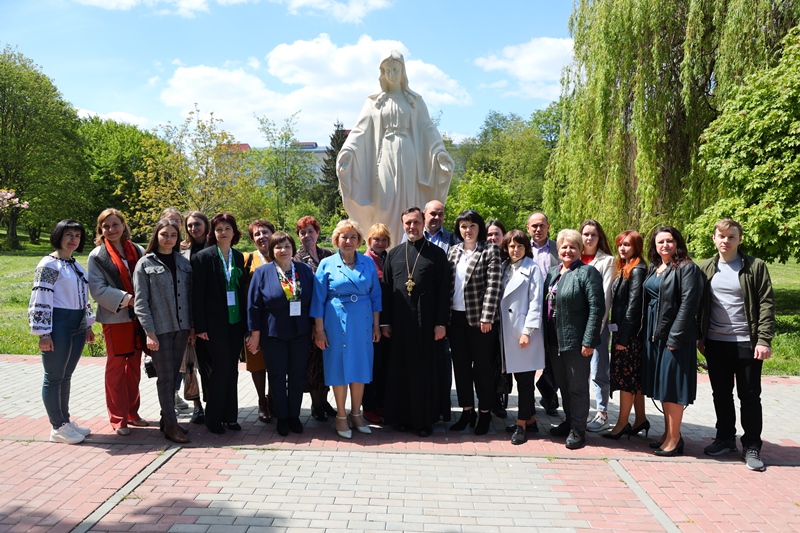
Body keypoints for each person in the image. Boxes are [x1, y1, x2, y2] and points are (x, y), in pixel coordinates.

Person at [336, 50, 455, 244]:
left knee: (410, 201)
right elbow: (360, 130)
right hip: (385, 155)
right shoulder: (374, 102)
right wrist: (348, 150)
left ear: (403, 71)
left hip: (409, 155)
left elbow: (427, 129)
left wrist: (439, 152)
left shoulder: (414, 101)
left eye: (395, 69)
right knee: (385, 202)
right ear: (382, 72)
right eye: (387, 70)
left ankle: (412, 245)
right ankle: (387, 248)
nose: (391, 74)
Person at [698, 219, 774, 471]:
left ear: (740, 239)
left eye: (731, 236)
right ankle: (725, 438)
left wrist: (763, 339)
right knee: (720, 393)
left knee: (749, 395)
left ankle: (751, 445)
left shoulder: (755, 267)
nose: (726, 241)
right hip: (716, 342)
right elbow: (699, 305)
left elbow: (766, 304)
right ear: (714, 238)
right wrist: (700, 336)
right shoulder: (706, 268)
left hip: (746, 343)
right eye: (721, 236)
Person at [381, 207, 451, 437]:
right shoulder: (394, 254)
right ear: (403, 225)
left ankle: (425, 420)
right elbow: (387, 290)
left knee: (424, 372)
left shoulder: (437, 254)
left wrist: (441, 323)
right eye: (408, 223)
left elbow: (444, 291)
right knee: (400, 370)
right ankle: (401, 418)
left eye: (416, 222)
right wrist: (385, 322)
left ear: (423, 223)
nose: (412, 227)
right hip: (400, 323)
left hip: (427, 322)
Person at [312, 220, 382, 438]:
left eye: (353, 237)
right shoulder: (327, 264)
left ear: (359, 241)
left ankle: (356, 414)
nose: (348, 241)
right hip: (336, 322)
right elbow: (317, 300)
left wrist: (376, 326)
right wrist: (319, 330)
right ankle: (341, 416)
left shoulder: (367, 263)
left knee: (360, 366)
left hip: (363, 322)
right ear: (336, 240)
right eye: (344, 236)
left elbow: (376, 296)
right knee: (339, 367)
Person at [29, 220, 95, 444]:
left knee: (66, 375)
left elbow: (84, 297)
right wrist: (43, 333)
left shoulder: (75, 265)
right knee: (54, 376)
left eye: (77, 235)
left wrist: (88, 324)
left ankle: (65, 421)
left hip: (77, 325)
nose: (73, 239)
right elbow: (40, 297)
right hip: (58, 325)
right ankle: (57, 426)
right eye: (69, 234)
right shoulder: (49, 264)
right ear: (58, 236)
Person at [643, 226, 704, 456]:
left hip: (675, 336)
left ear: (677, 242)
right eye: (660, 242)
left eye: (669, 241)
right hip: (655, 333)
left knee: (673, 387)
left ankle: (675, 439)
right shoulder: (656, 267)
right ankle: (668, 433)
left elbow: (689, 305)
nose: (665, 245)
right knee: (663, 386)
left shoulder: (687, 268)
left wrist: (675, 337)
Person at [246, 232, 314, 437]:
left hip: (300, 332)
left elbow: (313, 300)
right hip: (273, 334)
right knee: (276, 376)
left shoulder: (304, 270)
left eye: (287, 246)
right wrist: (255, 334)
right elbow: (253, 306)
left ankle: (294, 416)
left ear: (293, 248)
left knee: (297, 375)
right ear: (271, 250)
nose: (283, 250)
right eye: (278, 247)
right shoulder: (263, 272)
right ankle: (282, 417)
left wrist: (316, 328)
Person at [87, 208, 148, 436]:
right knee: (116, 368)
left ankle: (132, 413)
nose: (111, 229)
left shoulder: (138, 250)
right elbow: (97, 289)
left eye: (115, 224)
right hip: (116, 318)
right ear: (100, 229)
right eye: (106, 226)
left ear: (123, 225)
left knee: (134, 368)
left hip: (139, 318)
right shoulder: (97, 255)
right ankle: (118, 418)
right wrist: (129, 299)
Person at [132, 218, 193, 444]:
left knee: (173, 375)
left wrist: (192, 327)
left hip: (181, 328)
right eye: (164, 234)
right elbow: (141, 302)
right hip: (160, 330)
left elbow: (190, 296)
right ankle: (171, 426)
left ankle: (167, 420)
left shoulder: (183, 262)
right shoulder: (145, 264)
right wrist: (149, 332)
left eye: (173, 235)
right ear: (156, 235)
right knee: (166, 379)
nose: (168, 239)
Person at [544, 229, 605, 450]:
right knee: (563, 385)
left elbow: (596, 308)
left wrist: (589, 341)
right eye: (564, 247)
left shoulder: (587, 272)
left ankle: (578, 429)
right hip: (554, 341)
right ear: (558, 249)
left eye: (573, 247)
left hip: (577, 342)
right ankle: (569, 421)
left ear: (580, 249)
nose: (568, 250)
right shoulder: (553, 272)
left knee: (577, 388)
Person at [191, 213, 247, 434]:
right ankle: (213, 417)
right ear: (212, 233)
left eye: (227, 228)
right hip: (213, 325)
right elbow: (197, 294)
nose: (223, 232)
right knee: (220, 368)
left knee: (232, 369)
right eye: (219, 229)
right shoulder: (203, 257)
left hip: (235, 323)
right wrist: (200, 326)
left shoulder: (239, 257)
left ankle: (230, 416)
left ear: (234, 232)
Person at [447, 210, 501, 436]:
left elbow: (493, 285)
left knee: (482, 369)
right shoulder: (453, 251)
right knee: (460, 368)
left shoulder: (490, 250)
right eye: (463, 226)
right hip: (455, 318)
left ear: (479, 228)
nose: (467, 230)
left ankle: (485, 412)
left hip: (480, 321)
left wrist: (487, 316)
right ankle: (467, 411)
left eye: (472, 226)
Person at [498, 230, 545, 445]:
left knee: (525, 381)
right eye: (511, 246)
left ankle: (521, 425)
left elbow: (536, 302)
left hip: (523, 332)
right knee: (518, 378)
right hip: (505, 331)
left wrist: (527, 332)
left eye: (520, 246)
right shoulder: (503, 267)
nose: (515, 250)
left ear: (526, 248)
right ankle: (531, 419)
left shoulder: (532, 268)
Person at [603, 230, 649, 439]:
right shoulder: (625, 267)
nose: (622, 248)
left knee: (626, 380)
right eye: (620, 244)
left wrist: (623, 337)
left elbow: (634, 306)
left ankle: (622, 423)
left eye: (627, 244)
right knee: (633, 380)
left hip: (629, 336)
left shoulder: (637, 269)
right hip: (624, 332)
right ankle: (640, 419)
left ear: (636, 247)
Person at [294, 215, 337, 421]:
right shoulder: (295, 259)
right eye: (302, 232)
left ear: (318, 233)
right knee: (313, 364)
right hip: (309, 319)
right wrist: (312, 324)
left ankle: (326, 401)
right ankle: (316, 404)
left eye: (310, 231)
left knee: (328, 360)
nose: (307, 235)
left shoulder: (328, 255)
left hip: (331, 317)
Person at [579, 220, 616, 432]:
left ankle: (602, 413)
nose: (589, 238)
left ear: (599, 237)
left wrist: (597, 328)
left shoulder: (607, 261)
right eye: (586, 234)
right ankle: (580, 411)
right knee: (579, 372)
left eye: (593, 234)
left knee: (598, 370)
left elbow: (605, 297)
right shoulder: (574, 257)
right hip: (576, 324)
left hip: (597, 324)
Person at [526, 212, 560, 416]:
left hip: (552, 311)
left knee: (552, 356)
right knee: (527, 357)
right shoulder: (521, 247)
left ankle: (549, 396)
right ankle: (527, 402)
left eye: (542, 225)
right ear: (528, 228)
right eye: (534, 226)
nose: (538, 229)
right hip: (527, 310)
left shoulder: (558, 248)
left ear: (548, 226)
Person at [242, 219, 276, 424]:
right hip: (254, 321)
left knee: (276, 363)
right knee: (257, 363)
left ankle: (273, 399)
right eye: (257, 234)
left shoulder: (281, 255)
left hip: (276, 321)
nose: (262, 237)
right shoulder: (248, 259)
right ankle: (262, 401)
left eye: (265, 232)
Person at [159, 208, 191, 413]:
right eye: (169, 220)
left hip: (184, 319)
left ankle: (184, 395)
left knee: (185, 362)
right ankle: (170, 403)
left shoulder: (186, 251)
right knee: (167, 367)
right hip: (164, 320)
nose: (174, 224)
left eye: (178, 220)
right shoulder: (152, 255)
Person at [180, 210, 210, 424]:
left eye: (197, 224)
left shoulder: (214, 247)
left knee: (209, 363)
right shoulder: (181, 250)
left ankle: (212, 402)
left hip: (210, 315)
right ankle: (197, 405)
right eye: (189, 225)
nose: (193, 228)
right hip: (187, 313)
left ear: (206, 225)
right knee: (190, 364)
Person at [362, 223, 392, 424]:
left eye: (383, 239)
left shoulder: (389, 257)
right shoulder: (365, 261)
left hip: (387, 321)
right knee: (371, 366)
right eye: (376, 239)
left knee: (383, 366)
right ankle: (369, 407)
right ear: (369, 240)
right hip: (371, 321)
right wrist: (377, 325)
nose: (380, 243)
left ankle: (381, 403)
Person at [486, 219, 510, 418]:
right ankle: (487, 399)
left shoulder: (510, 259)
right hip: (487, 319)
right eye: (489, 234)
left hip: (507, 319)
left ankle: (499, 399)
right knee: (488, 361)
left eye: (496, 234)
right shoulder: (482, 255)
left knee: (502, 362)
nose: (493, 238)